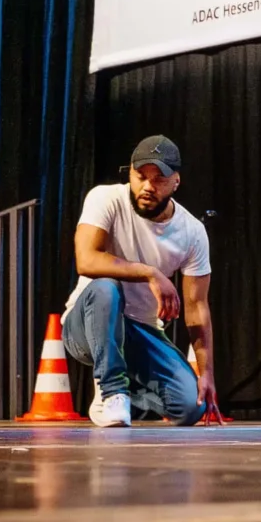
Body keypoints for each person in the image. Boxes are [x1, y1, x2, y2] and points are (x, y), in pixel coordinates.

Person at [64, 134, 216, 427]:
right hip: (84, 327)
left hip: (139, 331)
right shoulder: (106, 198)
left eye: (159, 179)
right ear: (130, 174)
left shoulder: (192, 232)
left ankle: (121, 387)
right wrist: (151, 272)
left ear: (176, 182)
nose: (147, 186)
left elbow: (197, 307)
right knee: (106, 286)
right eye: (140, 176)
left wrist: (207, 372)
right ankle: (112, 390)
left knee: (190, 408)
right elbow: (86, 260)